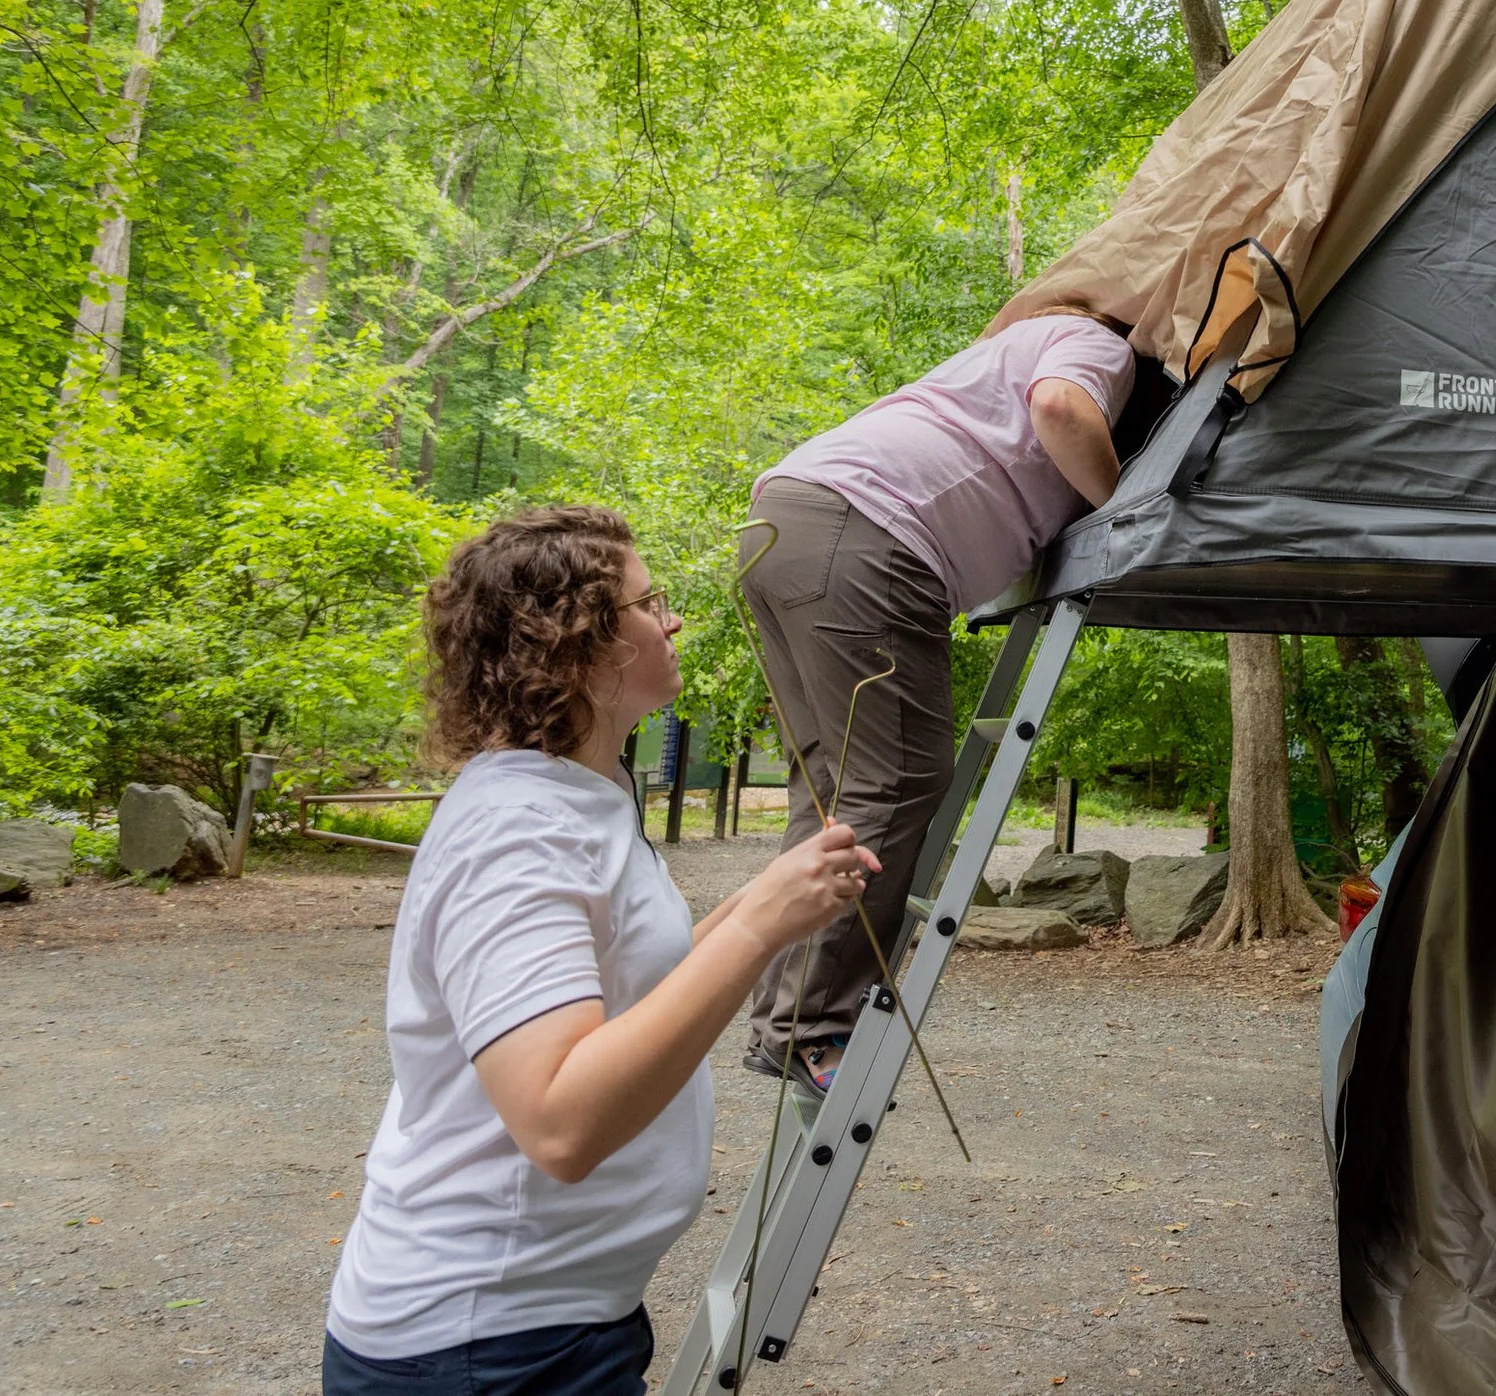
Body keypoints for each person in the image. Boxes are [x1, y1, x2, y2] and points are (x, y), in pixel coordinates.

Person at [324, 505, 880, 1396]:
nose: (674, 619)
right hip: (484, 1350)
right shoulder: (517, 833)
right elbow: (559, 1120)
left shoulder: (579, 793)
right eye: (650, 602)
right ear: (578, 645)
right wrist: (753, 929)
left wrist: (766, 906)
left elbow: (625, 988)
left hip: (554, 1324)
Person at [741, 305, 1134, 1087]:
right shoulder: (1099, 343)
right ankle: (811, 1027)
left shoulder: (1008, 346)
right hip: (868, 535)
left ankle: (787, 1018)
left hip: (787, 516)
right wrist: (1125, 513)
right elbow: (1059, 409)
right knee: (898, 781)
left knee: (830, 790)